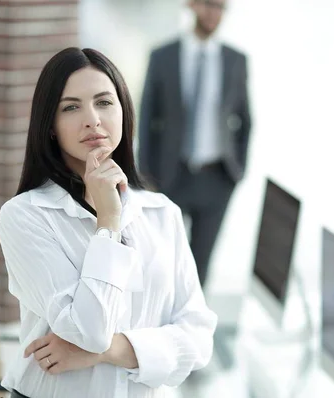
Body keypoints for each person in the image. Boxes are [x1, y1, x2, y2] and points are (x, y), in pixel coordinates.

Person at [0, 47, 217, 398]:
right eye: (71, 107)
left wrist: (111, 351)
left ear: (124, 112)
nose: (92, 119)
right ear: (50, 127)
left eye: (103, 102)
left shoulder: (161, 213)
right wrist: (108, 221)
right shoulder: (25, 216)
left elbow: (198, 338)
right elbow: (89, 329)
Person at [138, 0, 252, 286]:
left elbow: (245, 121)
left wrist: (238, 171)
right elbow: (146, 117)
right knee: (162, 264)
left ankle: (192, 330)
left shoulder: (235, 60)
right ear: (192, 5)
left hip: (217, 178)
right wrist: (146, 174)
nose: (215, 13)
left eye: (222, 7)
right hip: (170, 176)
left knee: (200, 270)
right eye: (210, 4)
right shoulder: (163, 56)